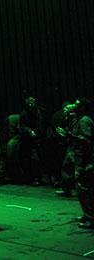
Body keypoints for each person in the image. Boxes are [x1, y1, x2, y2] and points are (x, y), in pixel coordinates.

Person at [69, 98, 93, 228]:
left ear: (82, 108)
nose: (73, 105)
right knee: (82, 188)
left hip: (84, 160)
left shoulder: (84, 121)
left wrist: (70, 136)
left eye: (76, 104)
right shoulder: (79, 119)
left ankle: (90, 218)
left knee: (84, 188)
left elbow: (86, 141)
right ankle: (87, 214)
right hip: (81, 158)